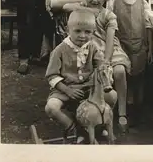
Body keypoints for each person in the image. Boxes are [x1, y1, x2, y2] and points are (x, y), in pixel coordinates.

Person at [44, 9, 118, 143]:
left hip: (88, 88)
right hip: (65, 88)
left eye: (87, 32)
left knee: (112, 96)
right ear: (68, 30)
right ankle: (75, 128)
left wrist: (105, 71)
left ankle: (99, 124)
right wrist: (67, 90)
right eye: (77, 31)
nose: (82, 36)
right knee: (51, 107)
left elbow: (100, 64)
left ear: (93, 32)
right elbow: (51, 75)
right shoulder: (59, 50)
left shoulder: (93, 47)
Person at [79, 0, 132, 134]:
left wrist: (107, 61)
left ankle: (122, 112)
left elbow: (110, 40)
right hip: (89, 50)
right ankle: (96, 112)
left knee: (119, 71)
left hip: (110, 49)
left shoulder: (109, 15)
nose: (95, 0)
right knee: (92, 73)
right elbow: (66, 5)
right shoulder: (80, 11)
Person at [107, 0, 153, 127]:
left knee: (139, 76)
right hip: (121, 45)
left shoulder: (144, 3)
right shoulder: (113, 1)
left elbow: (148, 26)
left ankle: (138, 108)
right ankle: (123, 107)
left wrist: (148, 47)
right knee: (122, 74)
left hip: (139, 45)